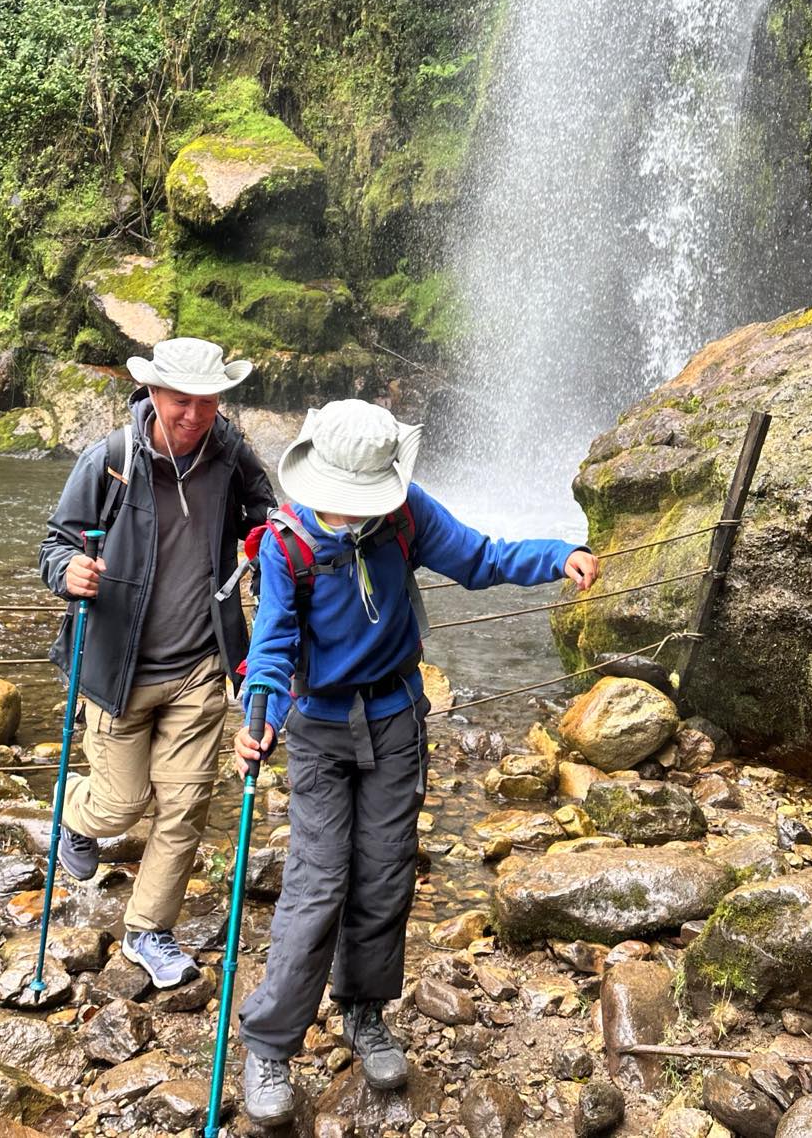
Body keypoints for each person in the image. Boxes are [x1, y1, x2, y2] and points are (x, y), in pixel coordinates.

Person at [231, 398, 600, 1126]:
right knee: (316, 884)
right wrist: (260, 721)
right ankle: (269, 1042)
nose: (348, 514)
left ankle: (363, 1010)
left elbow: (479, 556)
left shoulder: (404, 513)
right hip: (319, 726)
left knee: (386, 873)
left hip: (397, 717)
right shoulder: (286, 544)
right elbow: (272, 647)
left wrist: (556, 554)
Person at [38, 338, 273, 988]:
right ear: (154, 394)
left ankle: (149, 931)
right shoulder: (110, 459)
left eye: (205, 401)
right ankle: (73, 814)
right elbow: (55, 544)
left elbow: (268, 518)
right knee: (121, 804)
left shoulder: (230, 455)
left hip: (201, 663)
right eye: (180, 401)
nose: (193, 415)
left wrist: (269, 550)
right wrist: (71, 572)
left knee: (186, 804)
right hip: (118, 669)